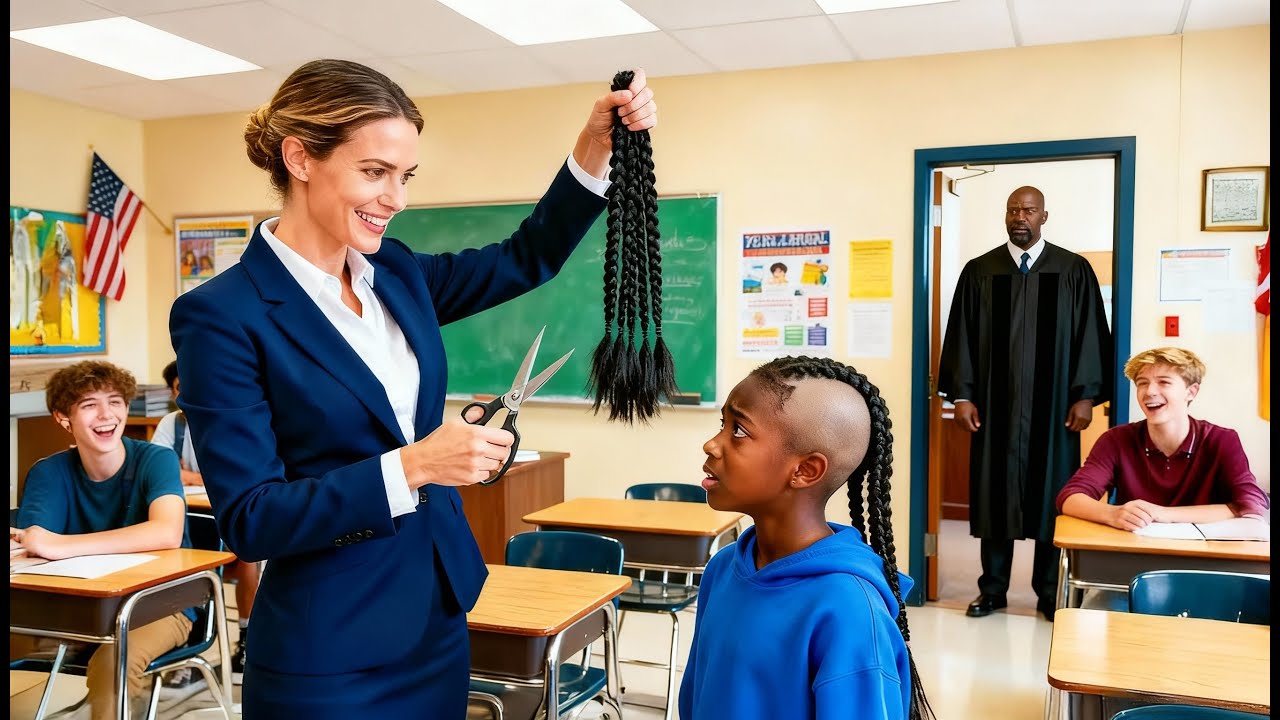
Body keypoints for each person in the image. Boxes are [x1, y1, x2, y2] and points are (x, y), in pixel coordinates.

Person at [168, 58, 656, 717]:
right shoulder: (223, 315)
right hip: (329, 653)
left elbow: (524, 258)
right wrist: (416, 465)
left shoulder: (393, 271)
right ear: (300, 158)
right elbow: (253, 519)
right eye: (375, 172)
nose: (396, 198)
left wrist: (595, 146)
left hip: (436, 620)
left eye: (405, 176)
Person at [680, 356, 932, 720]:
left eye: (738, 431)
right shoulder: (723, 567)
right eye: (723, 424)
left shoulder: (849, 611)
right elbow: (695, 696)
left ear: (805, 470)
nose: (712, 444)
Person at [937, 185, 1111, 622]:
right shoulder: (980, 271)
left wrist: (1086, 395)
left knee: (1053, 497)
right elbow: (960, 336)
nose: (1020, 217)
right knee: (995, 495)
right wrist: (963, 395)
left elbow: (1091, 336)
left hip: (1055, 413)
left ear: (1044, 217)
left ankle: (1049, 591)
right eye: (1013, 209)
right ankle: (992, 590)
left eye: (1029, 210)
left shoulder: (1074, 270)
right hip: (995, 411)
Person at [13, 360, 192, 720]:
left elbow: (167, 533)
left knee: (115, 662)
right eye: (89, 405)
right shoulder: (50, 471)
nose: (106, 414)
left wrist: (61, 545)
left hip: (159, 603)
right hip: (80, 609)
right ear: (63, 418)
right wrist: (41, 546)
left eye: (115, 401)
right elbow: (31, 546)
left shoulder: (156, 460)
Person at [1056, 347, 1269, 528]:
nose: (1149, 392)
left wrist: (1162, 514)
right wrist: (1114, 514)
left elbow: (1252, 504)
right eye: (1142, 383)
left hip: (1203, 560)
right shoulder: (1116, 440)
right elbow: (1070, 497)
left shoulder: (1222, 440)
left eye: (1164, 382)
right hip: (1135, 555)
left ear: (1191, 392)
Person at [153, 360, 260, 685]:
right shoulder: (173, 424)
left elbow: (245, 475)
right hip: (190, 517)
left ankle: (246, 638)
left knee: (249, 553)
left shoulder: (232, 416)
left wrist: (188, 475)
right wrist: (195, 476)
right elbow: (161, 469)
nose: (187, 395)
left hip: (236, 516)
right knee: (176, 555)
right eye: (179, 389)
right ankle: (183, 642)